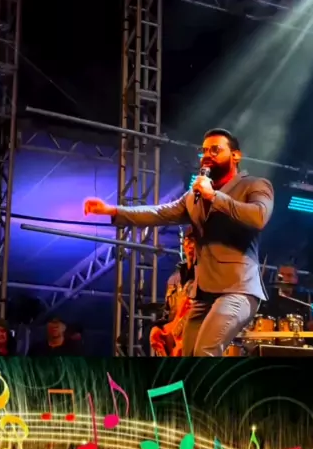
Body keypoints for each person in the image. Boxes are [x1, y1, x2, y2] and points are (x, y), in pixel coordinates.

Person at [84, 128, 274, 356]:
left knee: (205, 351)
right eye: (204, 151)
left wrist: (214, 196)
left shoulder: (254, 185)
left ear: (236, 155)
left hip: (238, 289)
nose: (207, 155)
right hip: (204, 293)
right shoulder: (194, 197)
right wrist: (113, 210)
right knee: (186, 355)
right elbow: (159, 213)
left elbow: (259, 216)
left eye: (215, 150)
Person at [150, 228, 196, 356]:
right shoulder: (174, 279)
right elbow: (168, 314)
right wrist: (158, 328)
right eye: (188, 240)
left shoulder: (208, 278)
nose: (191, 245)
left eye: (195, 241)